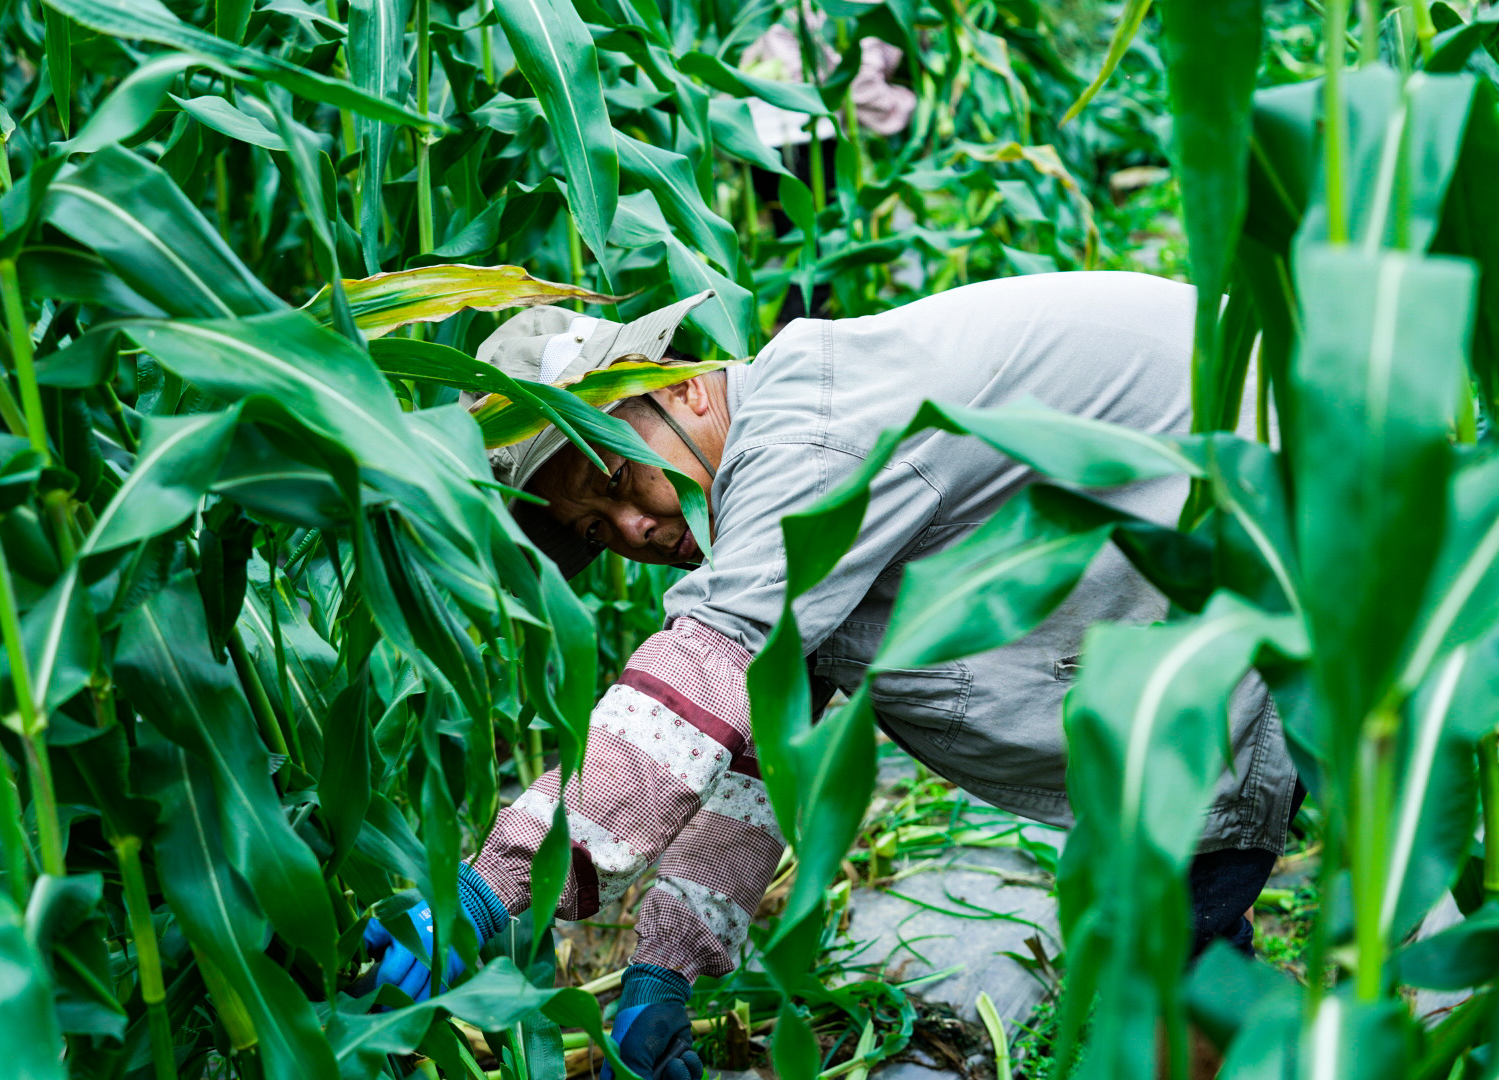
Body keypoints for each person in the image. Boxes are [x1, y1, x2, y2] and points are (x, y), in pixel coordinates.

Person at [361, 274, 1301, 1080]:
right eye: (597, 530)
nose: (634, 529)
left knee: (1174, 978)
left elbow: (696, 681)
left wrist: (486, 889)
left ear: (680, 385)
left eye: (615, 477)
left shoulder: (806, 431)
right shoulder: (794, 478)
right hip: (1231, 580)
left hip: (1295, 500)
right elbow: (765, 752)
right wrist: (663, 970)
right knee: (1175, 957)